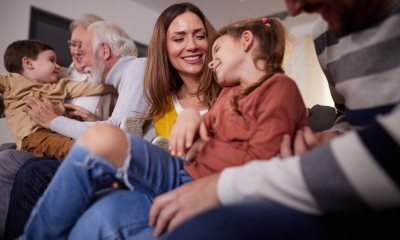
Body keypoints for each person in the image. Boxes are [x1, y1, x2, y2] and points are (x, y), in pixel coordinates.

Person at [21, 13, 307, 239]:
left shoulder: (278, 88)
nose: (210, 61)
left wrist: (203, 154)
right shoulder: (228, 93)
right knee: (99, 145)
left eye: (213, 46)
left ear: (246, 41)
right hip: (183, 170)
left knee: (104, 213)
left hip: (210, 186)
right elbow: (203, 136)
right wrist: (192, 118)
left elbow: (266, 161)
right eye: (178, 38)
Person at [149, 0, 400, 239]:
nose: (292, 9)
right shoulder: (325, 32)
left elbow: (262, 152)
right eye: (178, 38)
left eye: (201, 36)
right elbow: (351, 115)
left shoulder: (268, 88)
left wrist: (220, 186)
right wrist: (335, 137)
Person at [6, 3, 221, 239]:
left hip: (187, 181)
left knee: (35, 173)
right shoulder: (161, 98)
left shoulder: (228, 95)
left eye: (200, 36)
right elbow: (130, 136)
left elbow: (119, 131)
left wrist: (55, 120)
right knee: (27, 168)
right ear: (165, 48)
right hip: (146, 173)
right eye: (179, 39)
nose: (191, 45)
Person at [2, 19, 148, 239]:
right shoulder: (56, 76)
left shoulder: (130, 71)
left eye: (82, 46)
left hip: (65, 135)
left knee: (29, 169)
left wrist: (57, 119)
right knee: (7, 156)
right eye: (73, 45)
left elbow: (118, 126)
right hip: (41, 134)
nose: (76, 52)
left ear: (104, 50)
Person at [0, 39, 114, 160]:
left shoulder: (60, 85)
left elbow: (91, 88)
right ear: (29, 63)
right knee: (73, 148)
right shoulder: (11, 80)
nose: (57, 66)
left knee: (77, 143)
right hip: (33, 136)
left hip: (58, 131)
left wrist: (115, 84)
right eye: (51, 60)